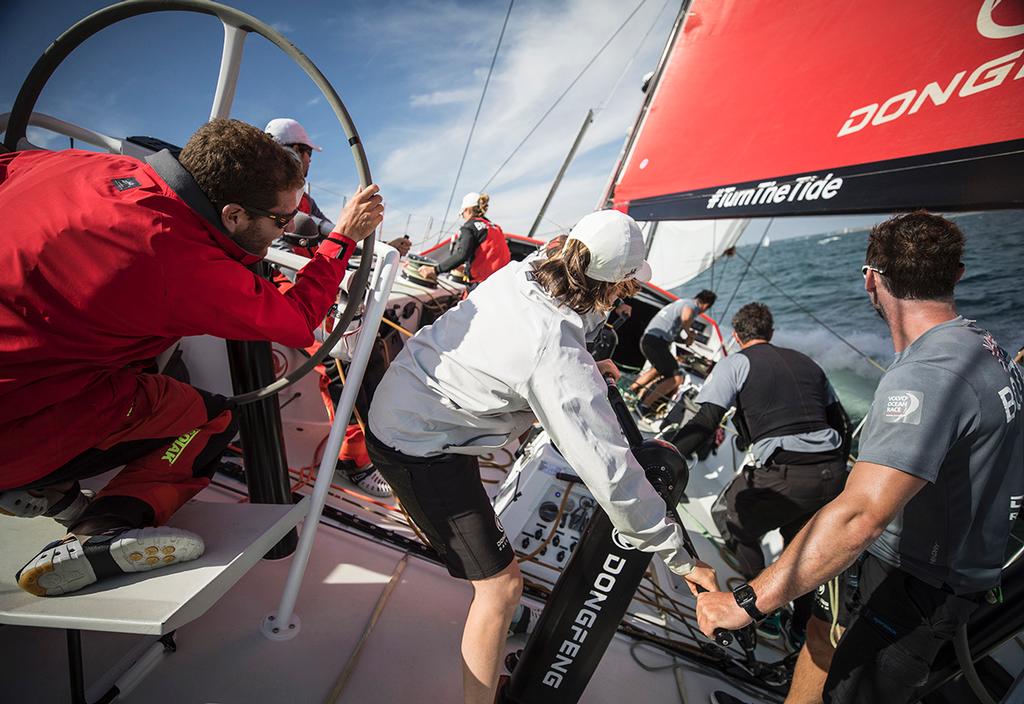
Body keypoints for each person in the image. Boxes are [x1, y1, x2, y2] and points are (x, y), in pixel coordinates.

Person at [0, 118, 384, 596]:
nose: (286, 228)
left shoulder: (83, 165)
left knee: (157, 371)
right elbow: (296, 319)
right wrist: (341, 240)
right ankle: (101, 532)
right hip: (14, 428)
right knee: (214, 418)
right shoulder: (178, 258)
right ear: (233, 215)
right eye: (281, 221)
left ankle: (51, 492)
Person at [366, 209, 718, 704]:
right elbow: (611, 473)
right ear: (616, 287)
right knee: (501, 588)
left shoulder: (526, 271)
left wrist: (588, 368)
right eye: (626, 289)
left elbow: (525, 342)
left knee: (496, 575)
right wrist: (681, 559)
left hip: (418, 407)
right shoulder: (553, 352)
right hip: (418, 444)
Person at [696, 211, 1024, 704]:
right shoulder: (986, 347)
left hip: (916, 580)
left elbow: (859, 517)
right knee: (820, 635)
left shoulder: (928, 373)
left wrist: (746, 603)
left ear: (871, 279)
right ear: (957, 275)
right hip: (898, 558)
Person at [668, 302, 850, 647]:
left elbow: (705, 422)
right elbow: (842, 424)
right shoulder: (807, 362)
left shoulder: (736, 362)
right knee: (802, 546)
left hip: (787, 474)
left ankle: (762, 611)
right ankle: (799, 630)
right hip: (834, 473)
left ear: (736, 336)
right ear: (771, 333)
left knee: (730, 515)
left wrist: (667, 457)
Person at [265, 116, 407, 497]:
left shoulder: (300, 196)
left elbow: (334, 228)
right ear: (288, 150)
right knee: (338, 361)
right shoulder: (264, 191)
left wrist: (373, 243)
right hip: (287, 294)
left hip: (314, 286)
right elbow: (276, 255)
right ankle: (352, 460)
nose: (311, 160)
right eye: (307, 151)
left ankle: (384, 433)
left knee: (380, 336)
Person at [628, 290, 717, 400]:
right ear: (706, 305)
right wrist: (690, 335)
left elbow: (675, 335)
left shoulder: (680, 303)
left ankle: (629, 391)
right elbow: (686, 318)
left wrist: (685, 341)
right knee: (677, 377)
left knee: (659, 369)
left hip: (649, 340)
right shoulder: (692, 306)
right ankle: (645, 405)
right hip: (656, 342)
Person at [416, 192, 510, 287]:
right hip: (500, 284)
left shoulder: (469, 227)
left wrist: (435, 270)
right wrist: (466, 268)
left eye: (463, 214)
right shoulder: (495, 228)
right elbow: (489, 255)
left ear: (467, 210)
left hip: (481, 286)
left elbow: (462, 254)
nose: (464, 218)